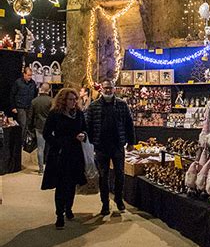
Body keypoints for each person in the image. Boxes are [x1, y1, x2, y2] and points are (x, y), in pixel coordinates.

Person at [86, 79, 135, 215]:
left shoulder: (122, 104)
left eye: (110, 88)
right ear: (101, 89)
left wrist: (131, 142)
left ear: (114, 89)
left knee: (120, 174)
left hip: (118, 145)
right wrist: (91, 142)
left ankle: (119, 200)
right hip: (101, 147)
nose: (108, 90)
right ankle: (105, 204)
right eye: (105, 88)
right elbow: (88, 125)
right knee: (103, 176)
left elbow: (129, 124)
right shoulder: (93, 106)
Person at [41, 88, 87, 228]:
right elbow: (46, 133)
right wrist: (60, 143)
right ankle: (59, 214)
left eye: (75, 99)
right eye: (70, 99)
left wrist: (83, 135)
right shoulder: (55, 114)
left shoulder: (78, 113)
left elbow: (85, 128)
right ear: (63, 100)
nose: (73, 102)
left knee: (72, 184)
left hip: (75, 153)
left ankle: (69, 208)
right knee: (61, 185)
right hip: (60, 154)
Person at [27, 83, 52, 175]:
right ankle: (50, 167)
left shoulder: (34, 101)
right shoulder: (51, 101)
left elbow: (30, 117)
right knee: (51, 148)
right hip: (50, 127)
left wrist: (29, 128)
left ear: (41, 89)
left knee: (40, 148)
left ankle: (41, 169)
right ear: (48, 90)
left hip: (39, 127)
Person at [10, 66, 37, 141]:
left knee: (28, 124)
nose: (30, 77)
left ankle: (26, 141)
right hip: (20, 107)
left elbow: (35, 94)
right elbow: (12, 95)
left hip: (29, 107)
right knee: (23, 124)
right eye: (28, 75)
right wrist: (13, 107)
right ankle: (21, 142)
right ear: (24, 74)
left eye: (31, 75)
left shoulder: (33, 83)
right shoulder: (18, 83)